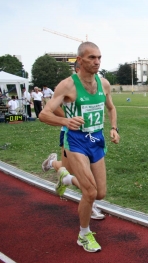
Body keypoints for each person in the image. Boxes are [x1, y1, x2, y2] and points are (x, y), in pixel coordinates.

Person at [39, 41, 120, 253]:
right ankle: (84, 234)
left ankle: (64, 177)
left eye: (99, 57)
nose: (97, 61)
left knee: (100, 193)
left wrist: (114, 128)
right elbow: (44, 114)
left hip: (96, 140)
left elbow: (111, 108)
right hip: (75, 142)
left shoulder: (104, 84)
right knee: (90, 192)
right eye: (92, 57)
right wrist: (66, 121)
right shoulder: (67, 85)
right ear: (80, 60)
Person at [41, 60, 104, 220]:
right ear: (78, 68)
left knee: (76, 170)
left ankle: (60, 171)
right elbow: (52, 107)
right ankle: (90, 202)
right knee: (84, 176)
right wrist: (68, 119)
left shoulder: (95, 84)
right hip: (70, 135)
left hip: (90, 137)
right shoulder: (68, 85)